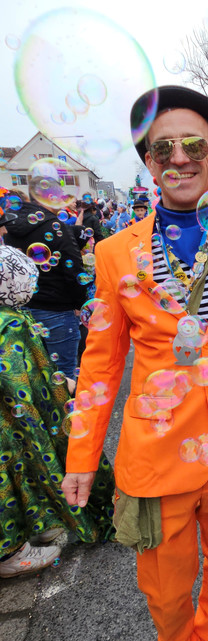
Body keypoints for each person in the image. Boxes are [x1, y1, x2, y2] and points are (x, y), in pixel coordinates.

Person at [61, 85, 208, 641]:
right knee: (162, 581)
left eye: (193, 146)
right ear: (149, 164)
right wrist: (81, 458)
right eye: (163, 150)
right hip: (156, 454)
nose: (178, 159)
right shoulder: (114, 253)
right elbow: (100, 363)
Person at [0, 245, 114, 578]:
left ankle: (37, 522)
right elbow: (12, 377)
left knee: (23, 472)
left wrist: (58, 380)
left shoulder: (12, 316)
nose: (33, 288)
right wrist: (33, 411)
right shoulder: (9, 322)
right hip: (16, 416)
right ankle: (10, 550)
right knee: (16, 471)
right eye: (29, 282)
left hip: (26, 409)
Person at [4, 190, 88, 388]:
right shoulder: (56, 226)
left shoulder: (10, 227)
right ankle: (67, 419)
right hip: (57, 310)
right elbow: (74, 270)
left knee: (33, 375)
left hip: (20, 310)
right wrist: (79, 303)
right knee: (63, 374)